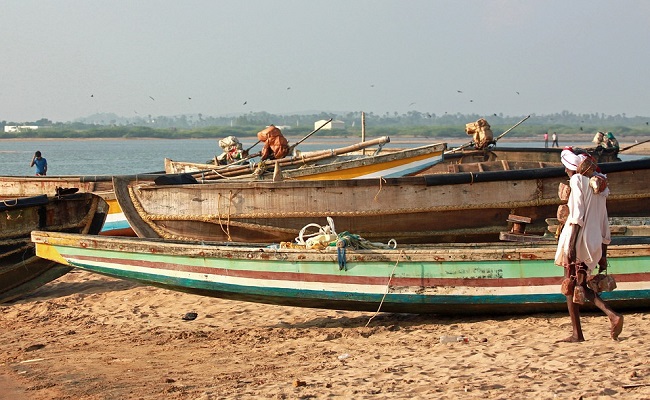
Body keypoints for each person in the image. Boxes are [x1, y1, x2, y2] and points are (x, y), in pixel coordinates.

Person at [554, 149, 623, 342]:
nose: (566, 171)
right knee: (580, 284)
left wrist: (571, 247)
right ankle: (582, 331)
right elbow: (604, 222)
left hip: (578, 239)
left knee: (570, 285)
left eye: (566, 168)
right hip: (594, 242)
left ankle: (610, 316)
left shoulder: (577, 181)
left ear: (571, 167)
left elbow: (576, 216)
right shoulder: (600, 186)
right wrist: (603, 252)